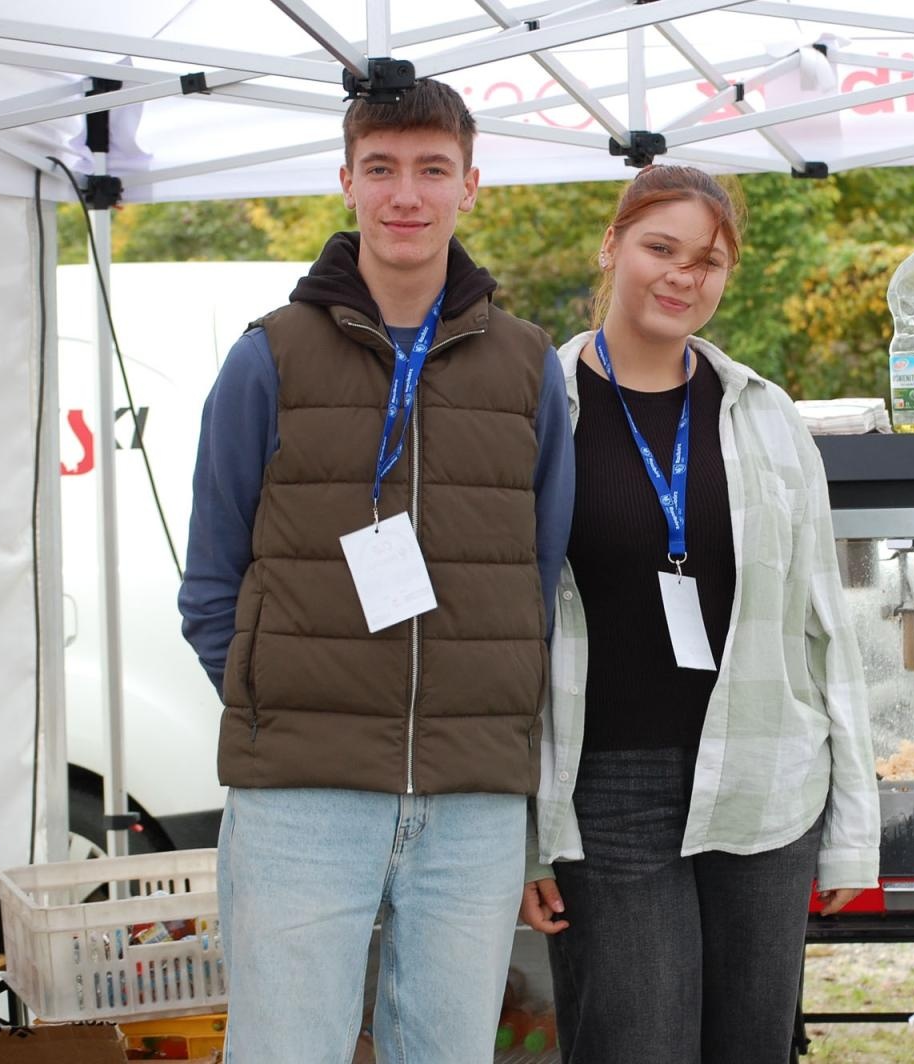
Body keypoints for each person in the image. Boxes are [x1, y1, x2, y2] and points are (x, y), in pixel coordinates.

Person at [177, 78, 574, 1063]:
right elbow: (211, 580)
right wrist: (273, 700)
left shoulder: (529, 367)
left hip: (472, 797)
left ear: (470, 185)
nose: (408, 193)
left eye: (432, 169)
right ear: (346, 181)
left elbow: (540, 575)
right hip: (301, 793)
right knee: (285, 1050)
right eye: (384, 168)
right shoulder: (267, 357)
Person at [519, 165, 880, 1063]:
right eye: (660, 248)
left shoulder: (764, 416)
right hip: (607, 795)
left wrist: (851, 829)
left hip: (766, 776)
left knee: (753, 1049)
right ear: (612, 247)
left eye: (708, 261)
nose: (683, 276)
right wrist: (523, 834)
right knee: (637, 1044)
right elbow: (505, 628)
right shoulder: (537, 408)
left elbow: (825, 628)